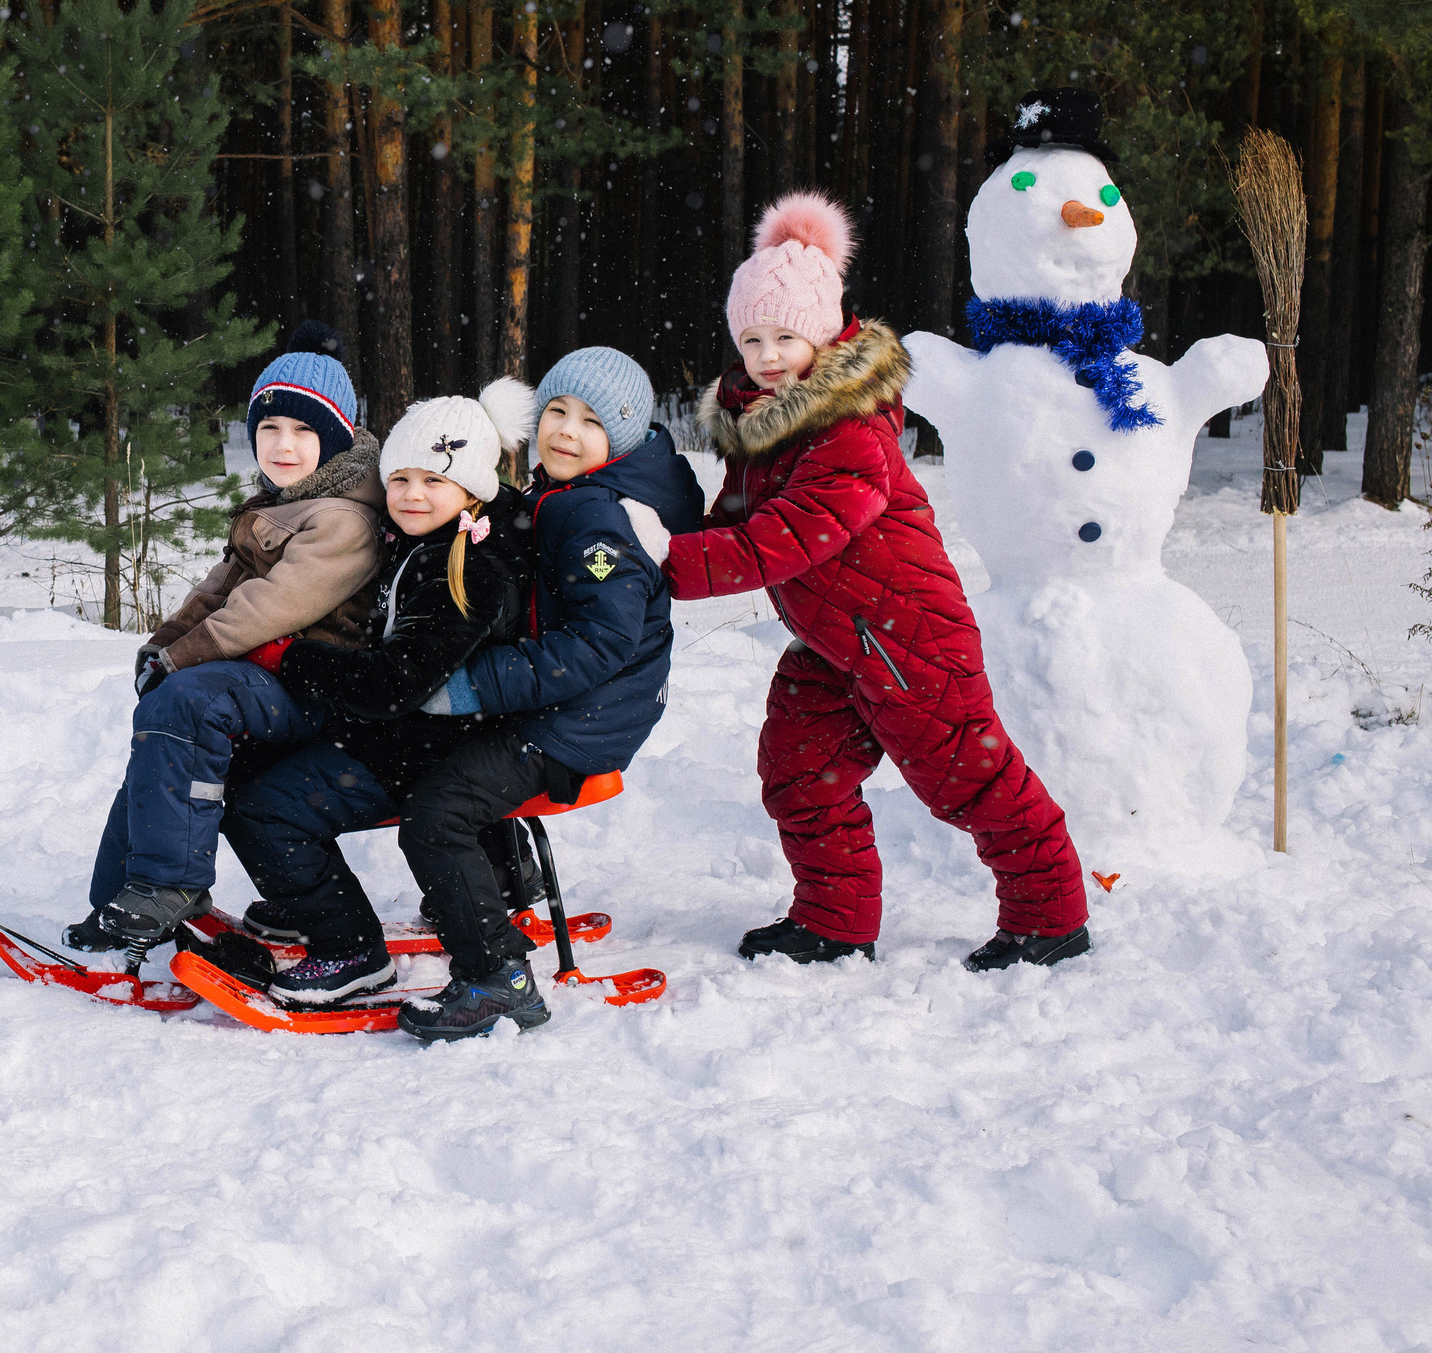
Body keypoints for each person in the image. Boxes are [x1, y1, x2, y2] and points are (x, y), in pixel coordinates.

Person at [663, 192, 1092, 972]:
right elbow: (732, 522)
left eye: (785, 335)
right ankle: (834, 917)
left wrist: (670, 564)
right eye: (751, 336)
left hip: (908, 637)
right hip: (839, 639)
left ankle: (1050, 914)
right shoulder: (768, 423)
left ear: (824, 334)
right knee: (799, 769)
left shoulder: (850, 428)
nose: (765, 353)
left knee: (970, 777)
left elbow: (788, 537)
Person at [218, 380, 546, 1033]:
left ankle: (349, 950)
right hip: (417, 735)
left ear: (474, 486)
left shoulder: (469, 566)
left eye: (433, 478)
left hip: (426, 748)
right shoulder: (430, 540)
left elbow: (394, 682)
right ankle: (316, 896)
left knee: (260, 806)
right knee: (256, 759)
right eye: (399, 478)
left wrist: (290, 659)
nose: (412, 493)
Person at [406, 346, 706, 1032]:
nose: (567, 430)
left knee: (437, 808)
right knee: (438, 750)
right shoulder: (566, 493)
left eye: (592, 421)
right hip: (574, 705)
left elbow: (600, 643)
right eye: (558, 411)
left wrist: (479, 683)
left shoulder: (599, 517)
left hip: (584, 717)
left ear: (621, 440)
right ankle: (505, 881)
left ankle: (497, 974)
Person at [66, 324, 385, 953]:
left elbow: (269, 606)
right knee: (162, 733)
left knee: (187, 702)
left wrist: (184, 661)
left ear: (337, 438)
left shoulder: (343, 517)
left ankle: (171, 885)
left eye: (303, 431)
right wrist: (161, 646)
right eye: (269, 430)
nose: (284, 446)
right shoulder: (282, 502)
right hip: (269, 684)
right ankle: (118, 906)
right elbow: (216, 590)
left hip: (320, 690)